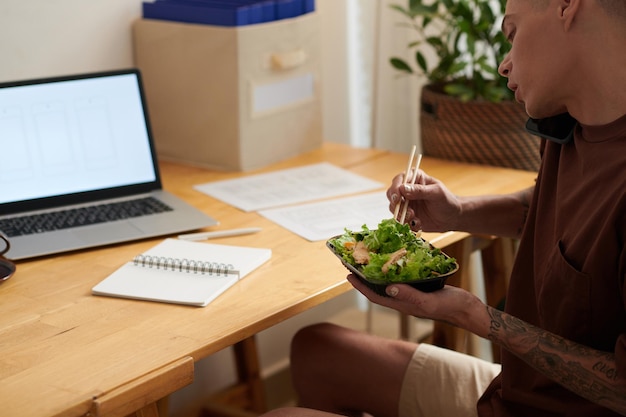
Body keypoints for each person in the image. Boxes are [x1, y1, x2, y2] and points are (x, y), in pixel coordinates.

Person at [260, 0, 626, 416]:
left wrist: (476, 317)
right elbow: (544, 211)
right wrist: (458, 212)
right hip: (515, 392)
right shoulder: (572, 122)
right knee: (317, 350)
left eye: (513, 32)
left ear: (566, 7)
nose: (505, 66)